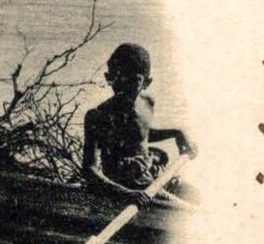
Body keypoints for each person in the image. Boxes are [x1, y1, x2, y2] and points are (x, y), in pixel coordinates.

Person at [81, 43, 196, 206]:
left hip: (151, 177)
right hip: (129, 187)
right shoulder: (98, 116)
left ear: (146, 83)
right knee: (190, 211)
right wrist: (127, 194)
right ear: (108, 77)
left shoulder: (147, 102)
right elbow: (89, 170)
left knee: (196, 194)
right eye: (118, 77)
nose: (124, 85)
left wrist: (177, 132)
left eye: (133, 80)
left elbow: (140, 134)